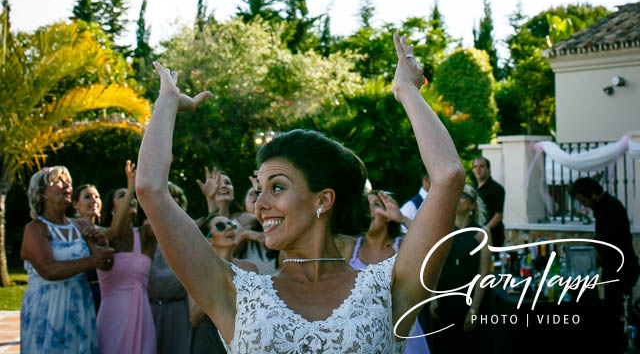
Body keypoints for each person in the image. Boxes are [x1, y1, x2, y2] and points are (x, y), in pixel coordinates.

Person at [136, 32, 465, 353]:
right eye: (259, 190)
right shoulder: (235, 291)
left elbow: (448, 176)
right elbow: (150, 189)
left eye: (276, 187)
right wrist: (167, 102)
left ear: (323, 200)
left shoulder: (390, 287)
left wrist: (407, 91)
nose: (260, 205)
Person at [20, 166, 114, 354]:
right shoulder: (35, 229)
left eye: (68, 182)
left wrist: (102, 244)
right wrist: (92, 261)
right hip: (47, 307)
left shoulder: (80, 225)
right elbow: (48, 270)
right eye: (59, 182)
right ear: (42, 193)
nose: (67, 186)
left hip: (79, 304)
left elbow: (106, 264)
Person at [338, 189, 429, 352]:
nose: (369, 210)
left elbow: (432, 243)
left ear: (387, 214)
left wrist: (401, 218)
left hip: (402, 337)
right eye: (365, 206)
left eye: (376, 205)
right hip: (361, 337)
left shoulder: (402, 246)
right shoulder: (349, 246)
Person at [570, 176, 640, 352]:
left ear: (593, 193)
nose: (583, 205)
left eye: (583, 200)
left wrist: (585, 264)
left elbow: (606, 245)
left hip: (621, 268)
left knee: (616, 312)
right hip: (617, 266)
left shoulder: (609, 209)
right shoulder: (604, 207)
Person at [97, 160, 157, 354]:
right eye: (122, 196)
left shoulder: (146, 235)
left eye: (132, 196)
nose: (130, 199)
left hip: (143, 316)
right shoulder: (103, 236)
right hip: (112, 315)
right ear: (112, 209)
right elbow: (115, 231)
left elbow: (167, 215)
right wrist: (131, 188)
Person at [427, 184, 491, 352]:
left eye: (463, 196)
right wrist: (433, 297)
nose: (457, 198)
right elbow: (435, 266)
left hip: (468, 302)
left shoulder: (481, 233)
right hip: (444, 301)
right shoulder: (442, 230)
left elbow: (483, 273)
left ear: (472, 205)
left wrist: (474, 309)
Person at [188, 215, 258, 354]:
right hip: (209, 339)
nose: (229, 228)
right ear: (209, 240)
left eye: (231, 225)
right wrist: (218, 278)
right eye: (221, 226)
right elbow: (194, 319)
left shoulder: (250, 268)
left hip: (244, 339)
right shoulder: (198, 271)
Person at [148, 181, 192, 354]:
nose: (170, 200)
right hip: (149, 308)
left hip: (179, 308)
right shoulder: (144, 233)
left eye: (175, 197)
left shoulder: (190, 231)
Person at [72, 183, 104, 311]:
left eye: (97, 196)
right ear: (75, 204)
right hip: (77, 294)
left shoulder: (106, 233)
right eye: (88, 197)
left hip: (104, 296)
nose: (94, 200)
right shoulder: (69, 232)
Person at [471, 156, 505, 247]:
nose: (478, 169)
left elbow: (498, 216)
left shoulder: (497, 189)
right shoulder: (473, 190)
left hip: (493, 236)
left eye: (481, 166)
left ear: (488, 169)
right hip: (475, 235)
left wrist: (484, 230)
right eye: (475, 167)